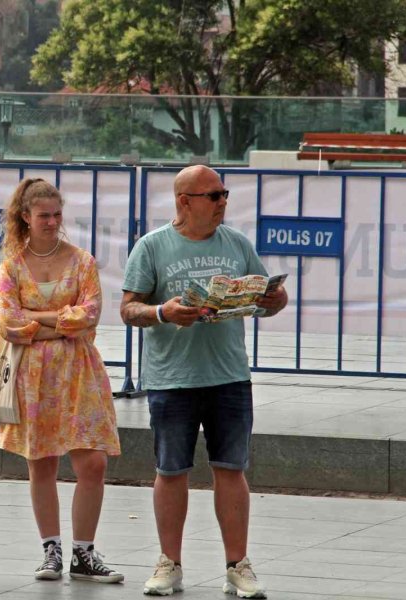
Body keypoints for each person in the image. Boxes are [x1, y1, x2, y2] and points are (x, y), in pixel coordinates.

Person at [120, 165, 288, 598]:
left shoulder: (236, 243)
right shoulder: (152, 246)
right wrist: (163, 312)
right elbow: (128, 309)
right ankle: (168, 564)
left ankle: (238, 566)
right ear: (184, 201)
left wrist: (276, 298)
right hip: (171, 377)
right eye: (213, 196)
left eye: (224, 194)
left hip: (229, 374)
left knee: (231, 469)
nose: (222, 203)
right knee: (170, 470)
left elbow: (266, 301)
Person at [0, 178, 123, 584]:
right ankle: (51, 549)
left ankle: (83, 552)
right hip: (33, 377)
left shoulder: (82, 261)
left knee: (93, 462)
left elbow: (88, 315)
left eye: (56, 214)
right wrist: (59, 321)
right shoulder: (12, 265)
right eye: (43, 215)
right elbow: (9, 323)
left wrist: (38, 317)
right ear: (25, 217)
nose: (51, 222)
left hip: (79, 372)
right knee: (42, 463)